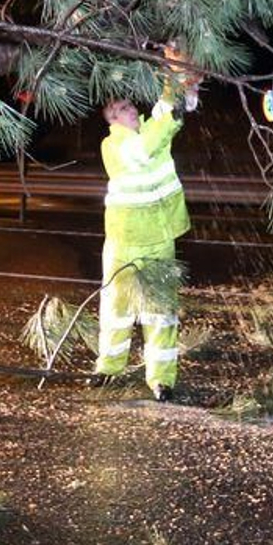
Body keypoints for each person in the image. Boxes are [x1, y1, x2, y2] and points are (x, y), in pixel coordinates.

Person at [93, 81, 191, 401]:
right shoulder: (115, 146)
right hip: (125, 241)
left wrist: (177, 78)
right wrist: (171, 119)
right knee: (117, 309)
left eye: (131, 105)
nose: (132, 109)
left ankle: (162, 379)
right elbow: (145, 147)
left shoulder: (152, 131)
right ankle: (108, 367)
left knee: (161, 312)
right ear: (112, 121)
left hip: (160, 238)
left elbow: (165, 107)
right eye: (121, 109)